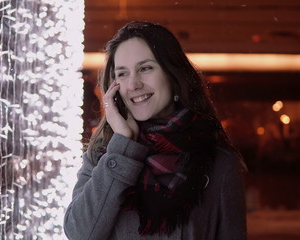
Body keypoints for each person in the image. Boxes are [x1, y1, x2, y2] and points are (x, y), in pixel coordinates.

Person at [64, 21, 247, 240]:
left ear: (172, 74)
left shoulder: (217, 162)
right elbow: (80, 233)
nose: (133, 84)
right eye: (122, 74)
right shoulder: (103, 153)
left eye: (145, 68)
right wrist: (123, 145)